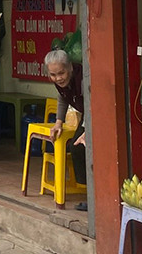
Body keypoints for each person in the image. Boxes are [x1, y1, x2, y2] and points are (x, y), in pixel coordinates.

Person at [45, 49, 87, 209]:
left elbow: (94, 106)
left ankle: (97, 197)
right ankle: (90, 195)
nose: (58, 78)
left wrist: (88, 132)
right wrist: (58, 123)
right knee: (76, 147)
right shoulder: (61, 84)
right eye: (53, 75)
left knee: (84, 148)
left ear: (70, 67)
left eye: (61, 73)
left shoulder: (83, 79)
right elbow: (63, 98)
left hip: (101, 112)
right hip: (87, 115)